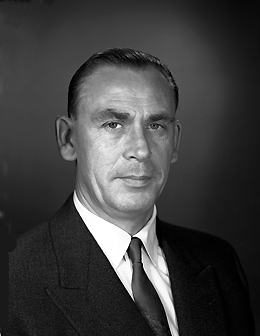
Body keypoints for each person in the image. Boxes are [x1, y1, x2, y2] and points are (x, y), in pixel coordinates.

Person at [3, 48, 254, 335]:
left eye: (156, 125)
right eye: (113, 124)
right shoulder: (12, 279)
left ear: (175, 142)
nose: (140, 150)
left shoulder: (219, 263)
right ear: (68, 139)